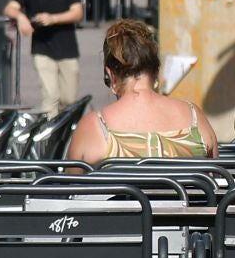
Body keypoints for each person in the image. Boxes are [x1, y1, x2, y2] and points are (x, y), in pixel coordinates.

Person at [68, 18, 219, 164]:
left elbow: (73, 188)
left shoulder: (93, 127)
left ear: (110, 75)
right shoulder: (194, 117)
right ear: (156, 71)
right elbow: (216, 179)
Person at [5, 0, 84, 117]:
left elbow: (77, 13)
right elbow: (10, 8)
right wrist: (21, 17)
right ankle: (50, 138)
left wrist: (52, 19)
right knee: (50, 97)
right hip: (42, 49)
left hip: (68, 49)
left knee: (69, 99)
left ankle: (65, 133)